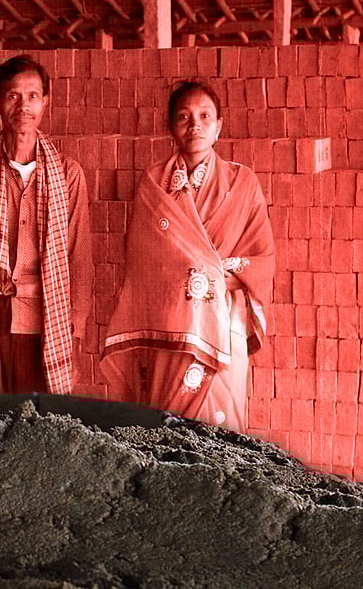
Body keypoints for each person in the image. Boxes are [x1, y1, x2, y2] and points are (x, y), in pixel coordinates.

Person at [100, 81, 275, 432]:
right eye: (184, 117)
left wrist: (211, 277)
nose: (194, 125)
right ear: (170, 128)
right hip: (170, 324)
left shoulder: (243, 182)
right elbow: (143, 262)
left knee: (221, 427)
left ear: (219, 126)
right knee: (169, 426)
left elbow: (263, 256)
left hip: (224, 321)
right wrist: (196, 276)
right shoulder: (153, 183)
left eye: (204, 116)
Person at [0, 55, 93, 395]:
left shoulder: (68, 175)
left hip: (45, 321)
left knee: (35, 427)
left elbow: (79, 262)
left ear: (45, 103)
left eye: (33, 96)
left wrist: (75, 339)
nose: (23, 106)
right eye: (13, 96)